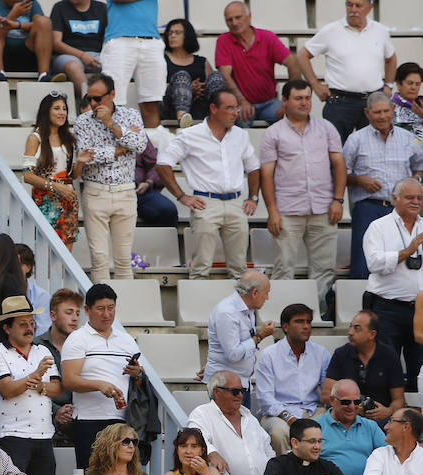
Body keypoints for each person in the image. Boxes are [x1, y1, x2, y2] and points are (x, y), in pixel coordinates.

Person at [261, 79, 347, 312]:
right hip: (287, 212)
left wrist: (338, 200)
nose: (304, 103)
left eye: (307, 98)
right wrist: (272, 212)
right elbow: (266, 175)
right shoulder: (273, 133)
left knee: (324, 270)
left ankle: (314, 316)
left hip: (323, 210)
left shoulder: (326, 128)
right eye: (298, 98)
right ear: (285, 101)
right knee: (283, 269)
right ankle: (283, 316)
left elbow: (339, 164)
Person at [156, 90, 260, 280]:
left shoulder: (240, 135)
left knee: (240, 270)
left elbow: (254, 167)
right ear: (213, 108)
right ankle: (198, 308)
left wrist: (253, 197)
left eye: (235, 108)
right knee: (200, 267)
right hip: (205, 202)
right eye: (229, 108)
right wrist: (182, 196)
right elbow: (163, 163)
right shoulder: (189, 135)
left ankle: (239, 310)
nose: (235, 112)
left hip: (236, 203)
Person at [342, 92, 423, 281]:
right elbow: (341, 175)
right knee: (364, 261)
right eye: (377, 112)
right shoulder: (356, 140)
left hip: (401, 210)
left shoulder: (408, 138)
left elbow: (420, 168)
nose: (382, 116)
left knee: (402, 259)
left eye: (386, 111)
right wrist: (360, 180)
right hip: (368, 207)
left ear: (393, 110)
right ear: (367, 113)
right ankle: (361, 306)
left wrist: (412, 185)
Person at [74, 72, 147, 281]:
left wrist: (111, 124)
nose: (94, 103)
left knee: (124, 259)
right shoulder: (82, 121)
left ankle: (125, 310)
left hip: (125, 191)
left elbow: (141, 146)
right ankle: (102, 312)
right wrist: (120, 148)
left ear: (112, 94)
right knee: (99, 258)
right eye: (90, 98)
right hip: (96, 191)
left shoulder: (131, 115)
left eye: (98, 98)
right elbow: (86, 155)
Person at [60, 282, 141, 469]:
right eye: (101, 309)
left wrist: (137, 374)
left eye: (111, 308)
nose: (107, 314)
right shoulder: (78, 338)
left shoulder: (126, 340)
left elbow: (139, 382)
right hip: (89, 419)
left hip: (122, 419)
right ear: (87, 310)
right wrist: (99, 385)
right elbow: (69, 379)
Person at [0, 295, 59, 475]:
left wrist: (41, 386)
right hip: (12, 436)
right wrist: (35, 375)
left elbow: (57, 388)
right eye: (22, 324)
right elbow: (7, 389)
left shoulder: (43, 350)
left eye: (32, 323)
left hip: (44, 434)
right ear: (7, 328)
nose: (30, 328)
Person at [295, 0, 397, 143]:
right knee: (335, 153)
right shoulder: (330, 30)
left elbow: (391, 58)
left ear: (370, 8)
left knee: (373, 152)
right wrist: (315, 84)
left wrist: (389, 85)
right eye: (349, 5)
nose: (353, 9)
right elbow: (302, 55)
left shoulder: (380, 31)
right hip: (340, 103)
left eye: (358, 6)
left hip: (373, 101)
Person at [364, 178, 423, 386]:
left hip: (421, 310)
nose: (416, 202)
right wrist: (408, 250)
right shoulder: (379, 227)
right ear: (394, 199)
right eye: (410, 197)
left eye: (420, 198)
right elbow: (374, 264)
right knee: (386, 366)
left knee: (420, 366)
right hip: (388, 308)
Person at [255, 303, 331, 453]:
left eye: (308, 322)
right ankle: (286, 472)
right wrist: (289, 418)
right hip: (279, 413)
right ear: (285, 327)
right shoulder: (269, 355)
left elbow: (327, 392)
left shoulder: (321, 353)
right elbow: (265, 399)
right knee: (279, 433)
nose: (306, 326)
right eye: (299, 321)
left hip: (313, 411)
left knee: (326, 429)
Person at [188, 370, 275, 475]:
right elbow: (194, 437)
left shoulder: (249, 417)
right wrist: (211, 453)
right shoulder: (202, 413)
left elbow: (267, 448)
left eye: (242, 391)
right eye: (235, 391)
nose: (240, 395)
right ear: (217, 392)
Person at [216, 1, 297, 127]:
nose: (234, 23)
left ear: (249, 16)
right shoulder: (223, 41)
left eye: (238, 17)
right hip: (240, 104)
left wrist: (289, 101)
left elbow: (293, 63)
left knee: (293, 114)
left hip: (269, 103)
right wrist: (241, 101)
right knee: (239, 126)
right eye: (229, 20)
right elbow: (225, 76)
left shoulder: (267, 37)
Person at [22, 90, 83, 250]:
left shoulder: (69, 138)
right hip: (45, 199)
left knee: (66, 249)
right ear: (46, 111)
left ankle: (62, 276)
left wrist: (81, 162)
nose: (62, 112)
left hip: (68, 198)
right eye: (57, 108)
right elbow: (27, 176)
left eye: (64, 109)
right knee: (44, 248)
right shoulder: (36, 138)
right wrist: (56, 186)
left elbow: (73, 175)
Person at [322, 310, 404, 424]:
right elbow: (326, 394)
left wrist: (388, 411)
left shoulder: (389, 355)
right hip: (346, 416)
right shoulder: (341, 354)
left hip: (380, 419)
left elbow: (399, 400)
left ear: (372, 334)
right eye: (350, 327)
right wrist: (351, 403)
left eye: (356, 328)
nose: (350, 332)